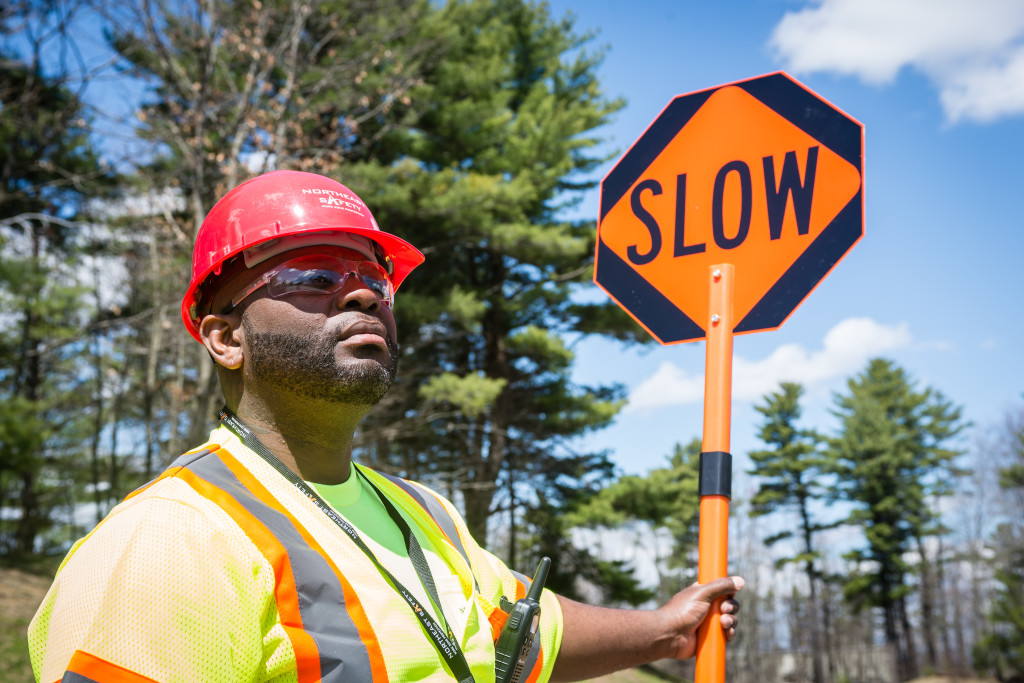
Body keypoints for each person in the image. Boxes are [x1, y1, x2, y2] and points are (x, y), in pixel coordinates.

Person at [28, 170, 742, 683]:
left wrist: (669, 629)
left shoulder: (422, 512)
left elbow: (522, 636)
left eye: (376, 278)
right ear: (225, 338)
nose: (366, 290)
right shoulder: (170, 541)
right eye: (313, 273)